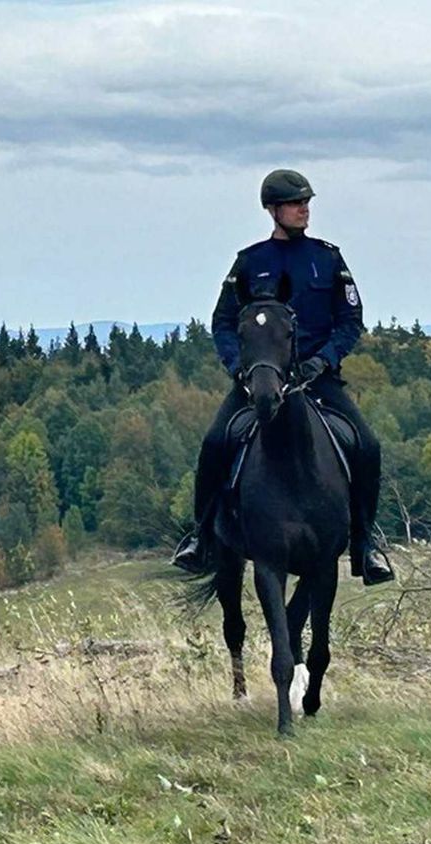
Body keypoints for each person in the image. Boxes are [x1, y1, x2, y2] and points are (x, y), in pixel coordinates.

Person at [173, 169, 394, 585]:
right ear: (274, 211)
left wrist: (323, 361)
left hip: (317, 379)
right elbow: (222, 322)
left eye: (307, 202)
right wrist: (239, 367)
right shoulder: (249, 262)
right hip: (259, 380)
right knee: (213, 442)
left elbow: (351, 321)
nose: (304, 209)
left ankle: (365, 545)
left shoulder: (328, 258)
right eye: (296, 204)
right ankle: (200, 536)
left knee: (368, 444)